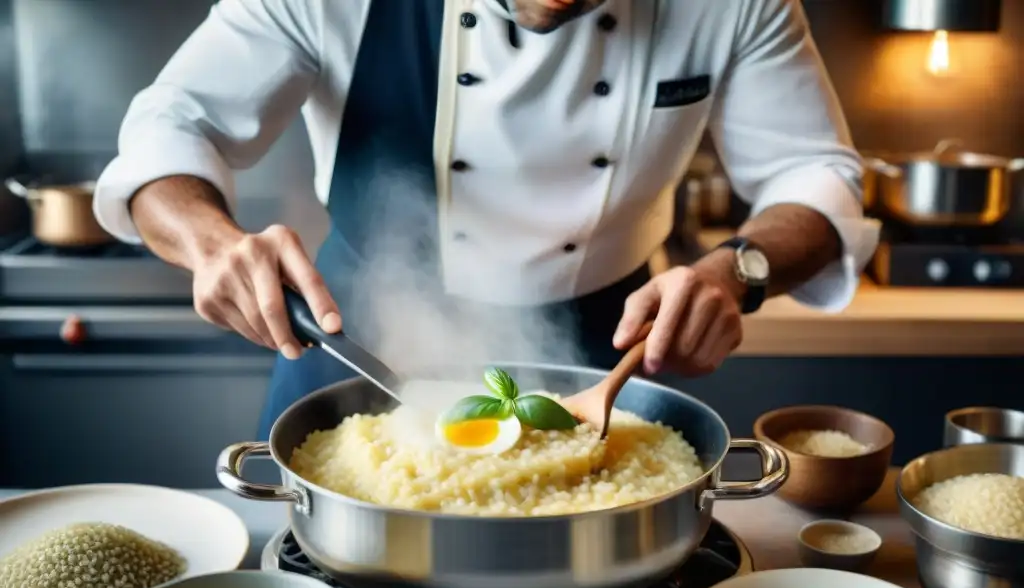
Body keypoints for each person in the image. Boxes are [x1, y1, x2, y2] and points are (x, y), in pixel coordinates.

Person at [94, 0, 876, 439]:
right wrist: (213, 243)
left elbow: (816, 173)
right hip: (357, 352)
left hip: (609, 356)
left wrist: (736, 270)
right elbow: (171, 125)